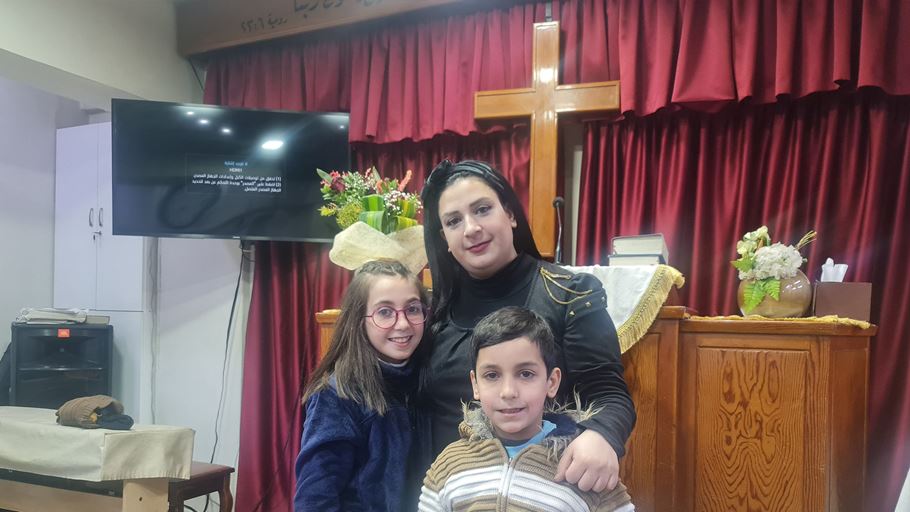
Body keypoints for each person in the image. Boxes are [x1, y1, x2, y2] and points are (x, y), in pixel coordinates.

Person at [419, 159, 635, 493]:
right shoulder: (433, 313)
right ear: (444, 239)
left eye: (482, 209)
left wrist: (602, 434)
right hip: (450, 492)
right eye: (453, 221)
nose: (471, 228)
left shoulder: (569, 293)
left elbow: (608, 392)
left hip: (542, 491)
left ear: (511, 215)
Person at [418, 306, 635, 511]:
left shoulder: (584, 463)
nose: (508, 392)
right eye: (492, 375)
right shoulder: (449, 464)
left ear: (551, 382)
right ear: (475, 384)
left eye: (526, 374)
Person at [294, 259, 430, 512]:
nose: (402, 324)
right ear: (359, 319)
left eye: (412, 309)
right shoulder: (336, 395)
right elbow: (315, 499)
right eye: (385, 312)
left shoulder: (425, 380)